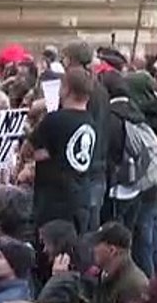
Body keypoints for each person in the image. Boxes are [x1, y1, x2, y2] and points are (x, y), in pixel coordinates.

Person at [21, 66, 99, 231]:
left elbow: (27, 151)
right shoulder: (91, 121)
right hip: (81, 199)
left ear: (66, 89)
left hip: (54, 204)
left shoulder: (55, 120)